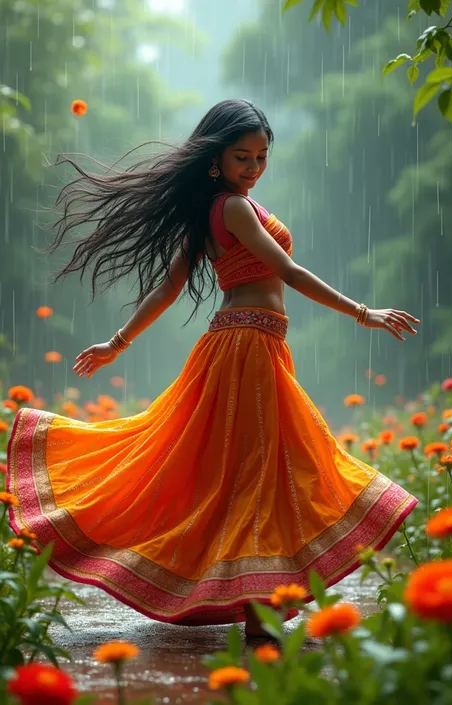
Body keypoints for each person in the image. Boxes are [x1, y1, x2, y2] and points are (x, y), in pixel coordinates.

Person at [7, 99, 419, 638]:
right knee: (258, 471)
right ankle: (258, 609)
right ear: (216, 159)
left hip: (248, 345)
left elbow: (171, 285)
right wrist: (364, 313)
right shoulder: (234, 209)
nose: (252, 168)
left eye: (261, 157)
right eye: (241, 156)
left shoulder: (215, 210)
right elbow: (287, 272)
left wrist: (119, 340)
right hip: (246, 347)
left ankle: (255, 602)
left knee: (244, 472)